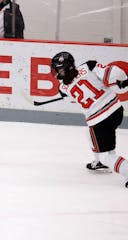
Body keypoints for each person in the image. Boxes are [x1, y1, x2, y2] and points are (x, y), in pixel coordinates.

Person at [50, 51, 128, 187]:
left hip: (99, 121)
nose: (57, 73)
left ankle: (104, 161)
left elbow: (73, 94)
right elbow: (111, 74)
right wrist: (121, 82)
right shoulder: (88, 66)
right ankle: (99, 163)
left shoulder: (62, 88)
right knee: (89, 133)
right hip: (116, 111)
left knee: (105, 155)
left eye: (59, 70)